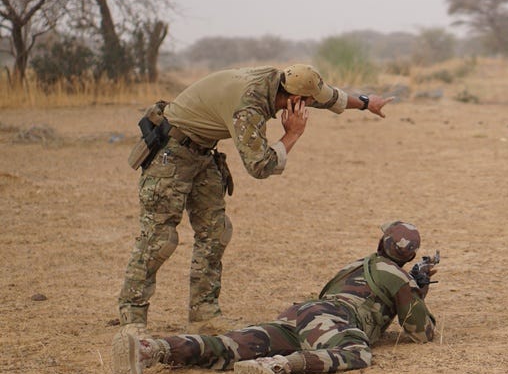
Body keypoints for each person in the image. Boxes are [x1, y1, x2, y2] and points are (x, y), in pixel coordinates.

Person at [117, 64, 393, 334]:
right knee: (159, 238)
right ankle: (132, 315)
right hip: (172, 152)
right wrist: (292, 133)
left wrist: (367, 104)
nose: (310, 107)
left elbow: (328, 96)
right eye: (306, 104)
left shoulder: (282, 79)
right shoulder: (248, 108)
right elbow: (260, 166)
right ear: (296, 100)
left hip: (202, 152)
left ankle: (204, 315)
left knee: (215, 232)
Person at [111, 221, 436, 374]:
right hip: (331, 319)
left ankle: (149, 349)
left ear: (381, 243)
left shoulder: (356, 264)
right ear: (408, 256)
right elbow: (422, 333)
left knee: (229, 345)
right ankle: (277, 365)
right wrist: (416, 289)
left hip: (302, 314)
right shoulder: (398, 278)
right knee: (357, 353)